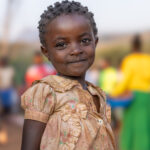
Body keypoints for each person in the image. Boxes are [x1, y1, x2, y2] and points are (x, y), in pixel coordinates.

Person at [21, 1, 115, 150]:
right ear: (46, 52)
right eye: (61, 45)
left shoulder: (98, 95)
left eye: (85, 41)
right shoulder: (46, 93)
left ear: (95, 43)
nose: (76, 50)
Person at [110, 35, 150, 150]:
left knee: (131, 126)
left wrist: (114, 93)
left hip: (134, 98)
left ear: (132, 46)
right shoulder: (148, 59)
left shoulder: (130, 60)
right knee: (146, 124)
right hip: (147, 97)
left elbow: (125, 81)